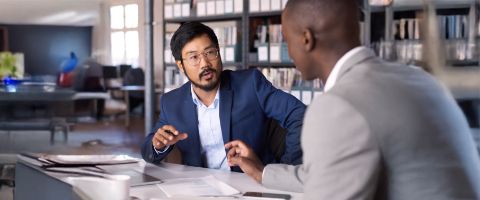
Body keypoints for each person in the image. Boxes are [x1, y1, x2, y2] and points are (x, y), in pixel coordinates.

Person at [226, 0, 480, 199]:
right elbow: (331, 174)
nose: (288, 51)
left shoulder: (338, 105)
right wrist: (262, 173)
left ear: (306, 39)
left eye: (287, 40)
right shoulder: (416, 78)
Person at [141, 22, 306, 171]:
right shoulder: (172, 102)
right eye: (194, 58)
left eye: (210, 52)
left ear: (218, 52)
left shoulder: (250, 84)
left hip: (251, 186)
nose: (205, 63)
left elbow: (300, 115)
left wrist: (284, 171)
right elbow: (148, 151)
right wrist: (158, 145)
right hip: (201, 190)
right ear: (181, 66)